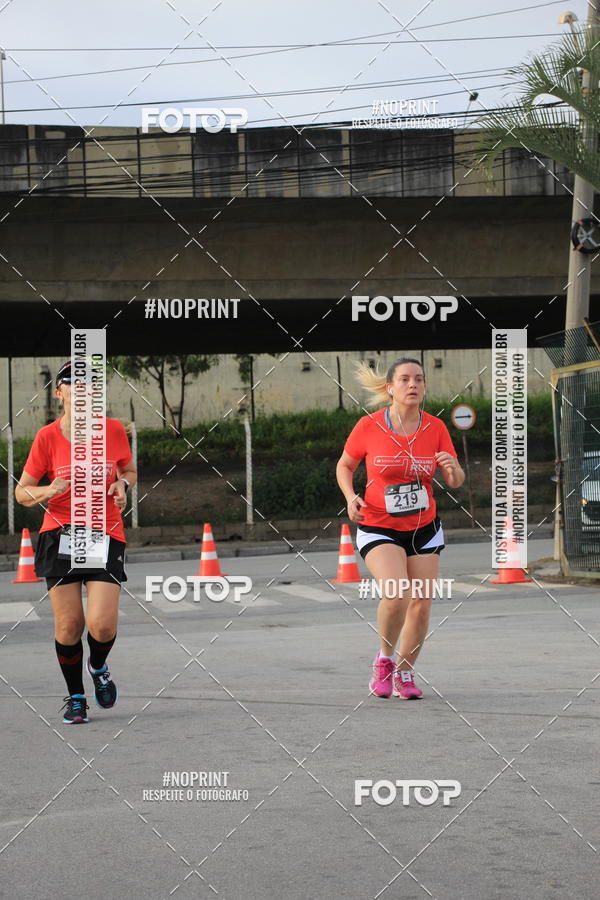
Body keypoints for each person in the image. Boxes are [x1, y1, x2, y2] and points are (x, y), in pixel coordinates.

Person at [15, 361, 137, 724]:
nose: (82, 390)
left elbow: (127, 470)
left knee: (101, 625)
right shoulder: (47, 437)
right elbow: (22, 493)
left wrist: (123, 486)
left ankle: (97, 665)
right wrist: (49, 489)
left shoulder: (113, 430)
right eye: (73, 383)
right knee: (69, 625)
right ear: (59, 392)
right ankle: (76, 696)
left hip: (104, 532)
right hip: (59, 534)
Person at [336, 357, 464, 700]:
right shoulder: (369, 426)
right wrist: (350, 497)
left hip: (424, 527)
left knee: (421, 605)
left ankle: (404, 675)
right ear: (390, 388)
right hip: (379, 524)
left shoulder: (435, 428)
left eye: (419, 379)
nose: (413, 385)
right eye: (405, 379)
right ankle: (385, 660)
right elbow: (345, 464)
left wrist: (451, 468)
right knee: (397, 592)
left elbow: (455, 480)